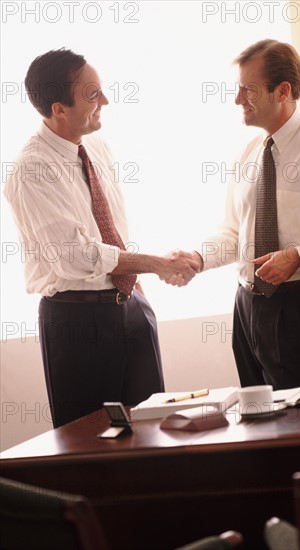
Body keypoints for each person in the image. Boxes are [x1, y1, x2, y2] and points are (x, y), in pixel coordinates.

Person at [4, 48, 199, 428]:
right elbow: (75, 257)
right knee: (91, 442)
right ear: (59, 108)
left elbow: (112, 230)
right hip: (77, 322)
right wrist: (158, 264)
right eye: (93, 94)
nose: (105, 101)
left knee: (153, 430)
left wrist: (137, 287)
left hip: (129, 307)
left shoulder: (96, 146)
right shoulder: (31, 171)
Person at [168, 39, 300, 390]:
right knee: (259, 420)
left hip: (298, 309)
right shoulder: (250, 152)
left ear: (283, 91)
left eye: (249, 90)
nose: (237, 100)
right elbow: (234, 233)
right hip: (245, 307)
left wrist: (299, 256)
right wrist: (198, 258)